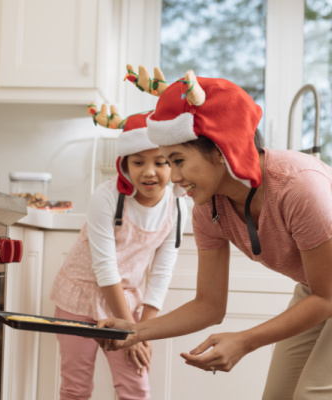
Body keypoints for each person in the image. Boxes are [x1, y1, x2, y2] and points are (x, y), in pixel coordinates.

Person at [97, 66, 332, 399]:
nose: (173, 177)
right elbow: (209, 305)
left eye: (177, 160)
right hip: (319, 290)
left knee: (312, 395)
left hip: (326, 292)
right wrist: (134, 331)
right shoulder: (208, 207)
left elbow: (327, 298)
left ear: (222, 150)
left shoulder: (300, 188)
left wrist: (245, 341)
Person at [50, 103, 188, 400]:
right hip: (78, 299)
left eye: (161, 162)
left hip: (126, 303)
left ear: (174, 163)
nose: (149, 172)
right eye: (138, 162)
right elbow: (105, 269)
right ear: (124, 164)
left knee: (135, 388)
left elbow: (162, 270)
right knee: (76, 388)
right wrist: (131, 332)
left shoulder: (177, 205)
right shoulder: (106, 197)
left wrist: (143, 329)